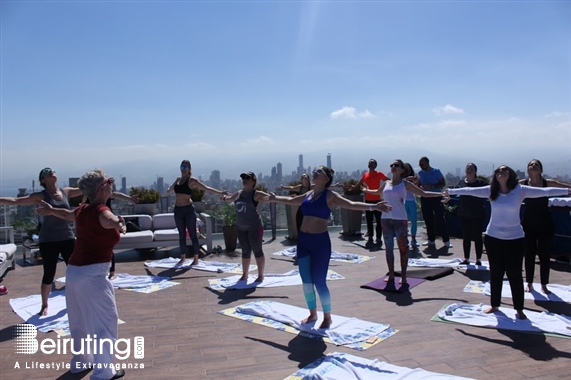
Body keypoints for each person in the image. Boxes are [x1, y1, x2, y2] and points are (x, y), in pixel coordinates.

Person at [269, 166, 392, 328]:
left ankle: (327, 317)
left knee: (319, 281)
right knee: (306, 281)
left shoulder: (330, 196)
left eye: (319, 172)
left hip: (320, 242)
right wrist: (273, 198)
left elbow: (351, 204)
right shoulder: (310, 194)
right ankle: (312, 314)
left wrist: (373, 207)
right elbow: (292, 201)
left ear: (326, 179)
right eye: (316, 171)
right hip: (303, 242)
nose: (315, 173)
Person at [445, 165, 571, 320]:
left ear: (510, 175)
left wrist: (567, 191)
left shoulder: (520, 190)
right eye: (498, 171)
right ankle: (495, 304)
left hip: (515, 239)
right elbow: (469, 191)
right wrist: (451, 191)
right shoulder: (491, 190)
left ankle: (519, 308)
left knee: (515, 275)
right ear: (496, 176)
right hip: (493, 238)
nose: (501, 172)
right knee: (496, 273)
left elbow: (545, 192)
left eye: (504, 170)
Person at [36, 169, 127, 379]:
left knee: (80, 322)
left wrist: (51, 211)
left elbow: (67, 215)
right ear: (101, 188)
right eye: (109, 181)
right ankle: (104, 372)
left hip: (74, 273)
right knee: (105, 322)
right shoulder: (100, 210)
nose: (112, 184)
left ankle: (80, 362)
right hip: (93, 276)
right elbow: (108, 218)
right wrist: (118, 223)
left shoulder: (82, 210)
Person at [0, 167, 82, 315]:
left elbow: (85, 188)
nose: (51, 172)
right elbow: (15, 201)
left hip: (68, 237)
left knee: (76, 270)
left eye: (53, 170)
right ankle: (44, 305)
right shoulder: (40, 195)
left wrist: (101, 181)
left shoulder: (66, 192)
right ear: (42, 180)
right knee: (49, 273)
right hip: (49, 240)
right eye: (46, 172)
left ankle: (79, 298)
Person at [364, 160, 443, 285]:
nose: (393, 167)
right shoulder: (386, 184)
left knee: (403, 248)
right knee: (388, 248)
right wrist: (365, 189)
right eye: (392, 165)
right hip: (386, 219)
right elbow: (376, 192)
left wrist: (439, 194)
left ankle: (404, 276)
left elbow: (423, 193)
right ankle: (391, 273)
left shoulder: (405, 184)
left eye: (396, 165)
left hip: (400, 219)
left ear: (402, 170)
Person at [520, 159, 571, 294]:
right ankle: (529, 283)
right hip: (528, 223)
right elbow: (505, 187)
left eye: (536, 165)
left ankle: (544, 284)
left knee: (544, 255)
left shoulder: (547, 183)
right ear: (528, 170)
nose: (533, 166)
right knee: (529, 254)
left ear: (541, 170)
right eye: (531, 165)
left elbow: (565, 187)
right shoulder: (523, 184)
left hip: (545, 223)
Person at [167, 160, 227, 265]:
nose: (183, 169)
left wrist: (220, 192)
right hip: (178, 210)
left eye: (185, 167)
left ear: (189, 169)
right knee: (181, 235)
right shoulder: (178, 180)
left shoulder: (191, 180)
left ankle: (196, 258)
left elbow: (206, 188)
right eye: (182, 167)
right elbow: (170, 189)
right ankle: (183, 257)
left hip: (188, 210)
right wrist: (167, 190)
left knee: (192, 234)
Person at [222, 172, 270, 282]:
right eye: (243, 178)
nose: (244, 179)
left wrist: (283, 198)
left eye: (247, 178)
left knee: (257, 250)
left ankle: (261, 275)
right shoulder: (239, 193)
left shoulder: (256, 194)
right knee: (245, 251)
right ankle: (245, 274)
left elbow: (269, 197)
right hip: (241, 228)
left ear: (253, 181)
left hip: (254, 227)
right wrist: (224, 198)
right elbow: (231, 199)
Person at [82, 191, 139, 279]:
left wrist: (130, 199)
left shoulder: (104, 193)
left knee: (108, 248)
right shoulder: (90, 194)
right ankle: (94, 270)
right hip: (93, 221)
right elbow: (83, 205)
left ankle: (112, 273)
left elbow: (116, 194)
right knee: (93, 247)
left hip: (107, 221)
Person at [454, 163, 487, 266]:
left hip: (478, 214)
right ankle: (466, 258)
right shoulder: (461, 183)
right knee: (466, 237)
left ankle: (478, 259)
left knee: (477, 237)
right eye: (467, 168)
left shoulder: (482, 183)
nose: (469, 170)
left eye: (471, 169)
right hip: (464, 213)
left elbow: (490, 192)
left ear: (475, 171)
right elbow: (454, 193)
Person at [350, 159, 388, 247]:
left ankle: (378, 237)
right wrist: (353, 188)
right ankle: (370, 236)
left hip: (378, 200)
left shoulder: (379, 174)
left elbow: (388, 181)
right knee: (369, 220)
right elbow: (359, 183)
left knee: (379, 221)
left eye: (372, 163)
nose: (371, 164)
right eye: (370, 163)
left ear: (375, 165)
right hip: (368, 201)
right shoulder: (365, 175)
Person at [418, 156, 451, 248]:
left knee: (440, 218)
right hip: (425, 197)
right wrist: (420, 187)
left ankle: (446, 240)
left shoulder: (436, 171)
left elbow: (442, 183)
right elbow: (419, 184)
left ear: (427, 163)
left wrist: (432, 187)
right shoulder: (420, 173)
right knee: (428, 219)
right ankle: (431, 239)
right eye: (420, 164)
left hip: (436, 197)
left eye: (422, 164)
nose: (421, 166)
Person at [403, 163, 419, 247]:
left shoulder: (413, 178)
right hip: (404, 202)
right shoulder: (401, 179)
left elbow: (417, 188)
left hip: (412, 200)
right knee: (404, 222)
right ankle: (405, 239)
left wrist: (415, 182)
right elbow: (402, 181)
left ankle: (413, 239)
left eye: (409, 168)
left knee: (414, 221)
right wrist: (410, 178)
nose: (407, 170)